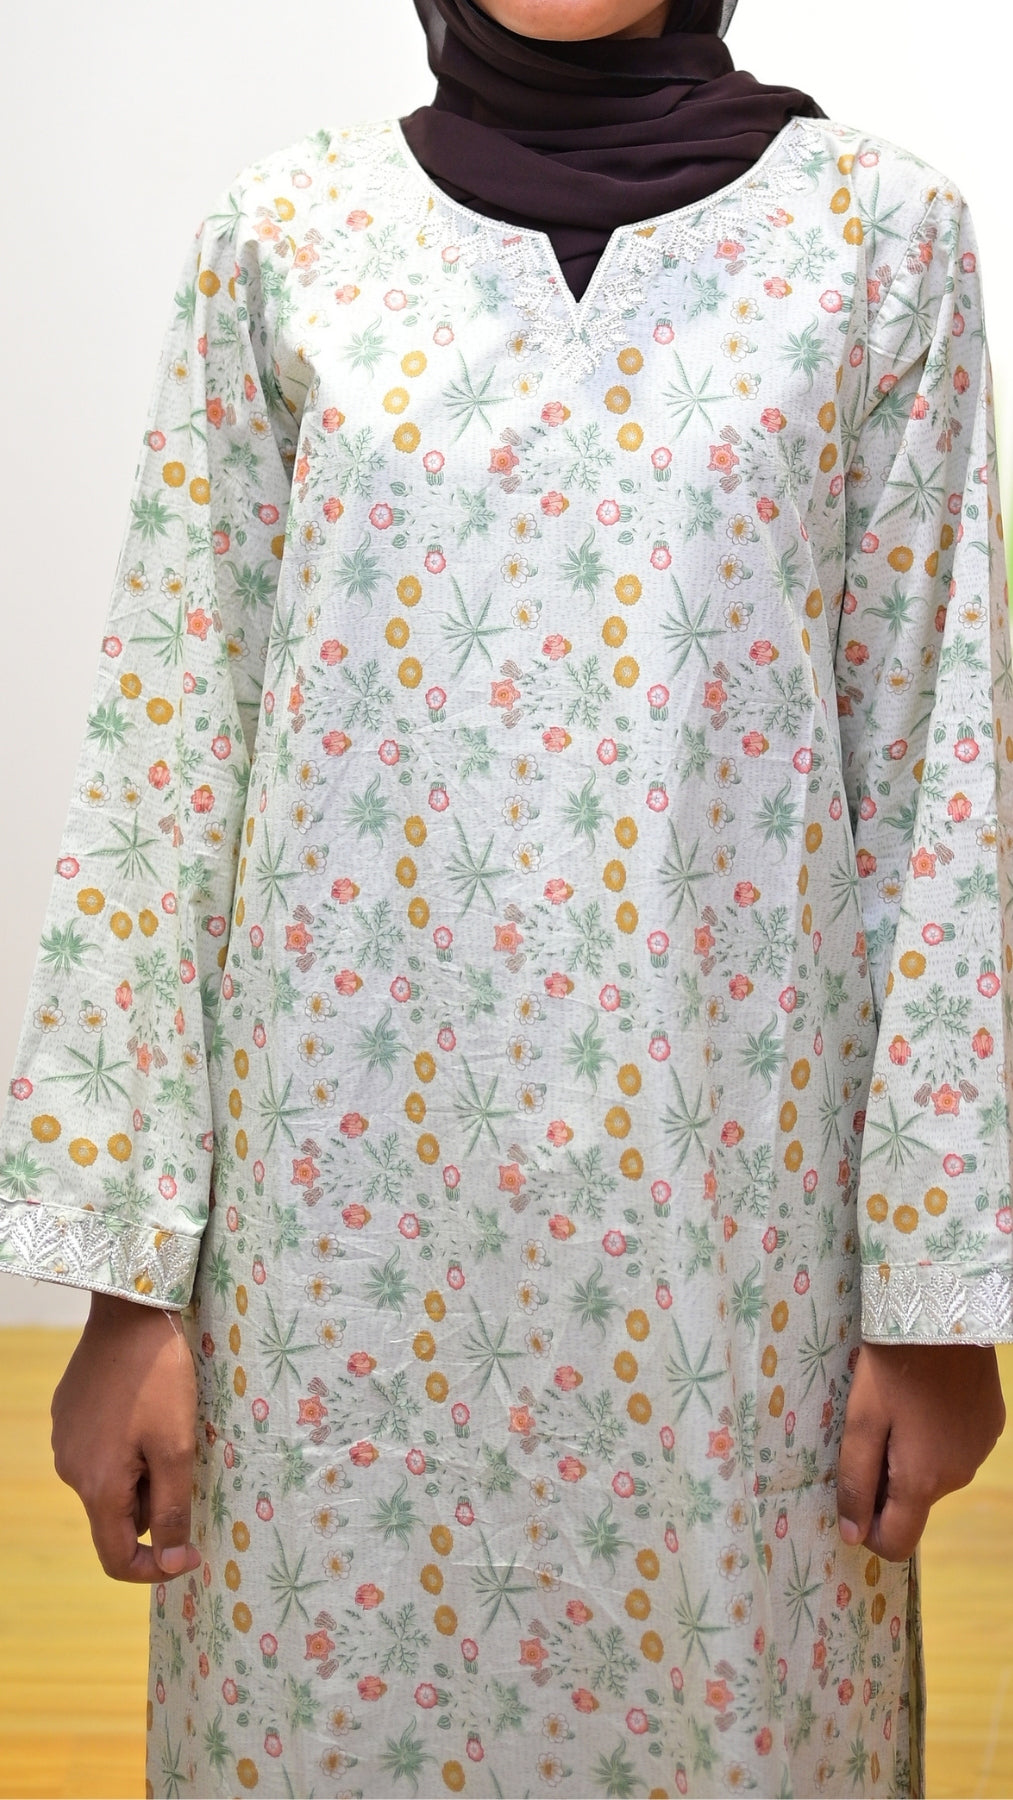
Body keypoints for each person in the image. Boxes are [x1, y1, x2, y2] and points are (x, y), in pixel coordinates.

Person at [0, 0, 1009, 1792]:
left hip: (731, 1271)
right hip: (334, 1280)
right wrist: (128, 1288)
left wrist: (934, 1299)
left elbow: (939, 773)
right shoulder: (284, 244)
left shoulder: (877, 248)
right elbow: (170, 758)